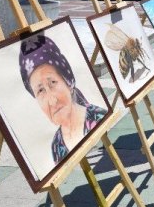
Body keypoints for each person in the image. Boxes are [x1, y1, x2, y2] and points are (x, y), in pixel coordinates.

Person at [19, 35, 107, 165]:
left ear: (68, 82)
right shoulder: (56, 144)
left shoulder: (98, 117)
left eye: (53, 83)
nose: (52, 101)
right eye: (40, 91)